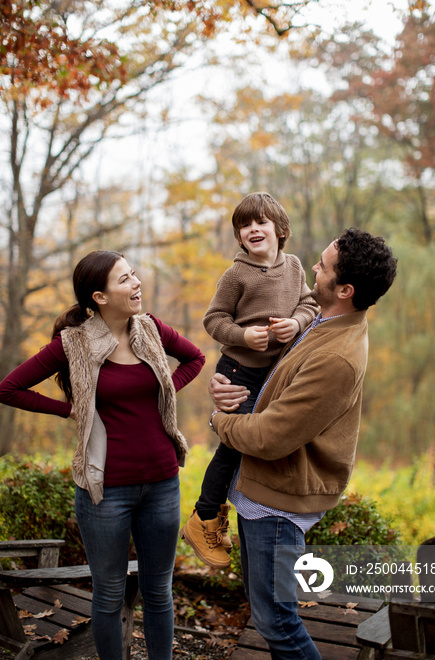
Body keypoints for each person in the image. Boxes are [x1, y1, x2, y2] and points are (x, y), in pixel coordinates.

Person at [0, 250, 205, 660]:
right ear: (99, 296)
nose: (136, 283)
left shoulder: (151, 329)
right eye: (125, 280)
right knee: (110, 594)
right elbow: (8, 388)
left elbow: (196, 358)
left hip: (163, 483)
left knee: (159, 590)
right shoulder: (72, 343)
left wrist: (165, 390)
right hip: (105, 489)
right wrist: (69, 409)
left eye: (134, 275)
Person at [207, 228, 397, 660]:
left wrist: (221, 421)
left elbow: (272, 436)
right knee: (268, 615)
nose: (313, 266)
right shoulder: (323, 323)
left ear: (345, 289)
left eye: (323, 266)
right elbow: (274, 386)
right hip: (263, 493)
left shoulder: (337, 356)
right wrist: (230, 393)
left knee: (277, 621)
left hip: (278, 505)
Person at [180, 192, 319, 568]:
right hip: (239, 372)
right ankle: (203, 517)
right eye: (245, 225)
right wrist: (243, 336)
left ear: (280, 229)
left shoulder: (294, 268)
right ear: (239, 236)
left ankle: (230, 516)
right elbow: (214, 320)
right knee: (236, 445)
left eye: (260, 222)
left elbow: (309, 304)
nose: (253, 229)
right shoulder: (236, 274)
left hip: (276, 374)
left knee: (262, 445)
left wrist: (297, 323)